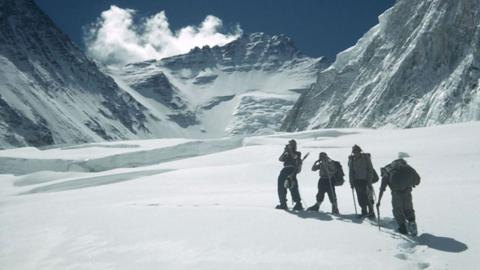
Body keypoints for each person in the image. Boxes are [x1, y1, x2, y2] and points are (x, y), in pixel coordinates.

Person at [377, 158, 420, 236]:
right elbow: (417, 180)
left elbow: (382, 188)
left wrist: (379, 201)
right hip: (407, 191)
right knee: (408, 208)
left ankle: (403, 228)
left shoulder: (387, 171)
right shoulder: (404, 167)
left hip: (396, 192)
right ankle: (412, 223)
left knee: (397, 210)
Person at [348, 145, 377, 218]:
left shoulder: (366, 158)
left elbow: (370, 170)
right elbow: (351, 172)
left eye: (357, 151)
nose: (355, 153)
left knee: (368, 197)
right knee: (360, 198)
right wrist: (351, 182)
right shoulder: (352, 160)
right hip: (357, 181)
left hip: (366, 181)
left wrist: (369, 181)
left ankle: (371, 212)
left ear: (359, 151)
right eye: (354, 151)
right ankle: (364, 211)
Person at [276, 139, 303, 211]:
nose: (289, 145)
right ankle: (283, 203)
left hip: (292, 170)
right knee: (281, 186)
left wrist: (290, 150)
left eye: (291, 144)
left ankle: (298, 203)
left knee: (293, 186)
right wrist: (285, 151)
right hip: (284, 170)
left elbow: (294, 157)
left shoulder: (298, 153)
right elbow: (280, 159)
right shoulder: (287, 153)